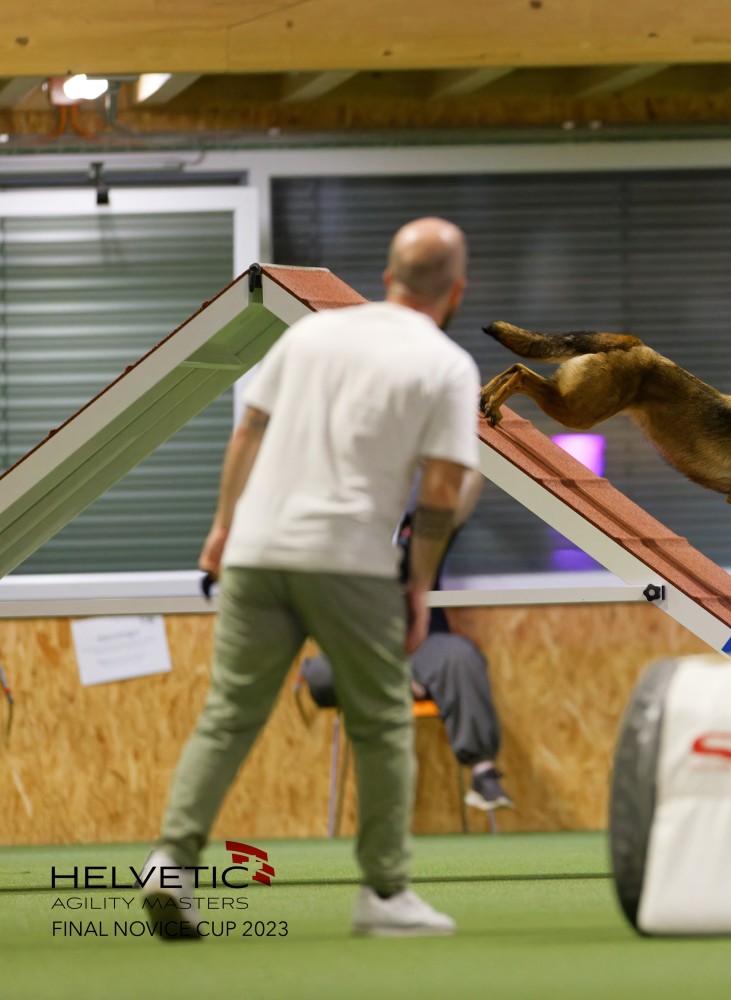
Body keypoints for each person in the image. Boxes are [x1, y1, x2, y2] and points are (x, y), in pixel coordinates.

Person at [139, 217, 481, 939]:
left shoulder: (309, 335)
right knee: (381, 721)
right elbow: (443, 490)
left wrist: (222, 528)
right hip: (347, 559)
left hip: (257, 550)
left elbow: (249, 431)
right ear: (456, 291)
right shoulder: (447, 365)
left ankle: (171, 862)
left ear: (387, 278)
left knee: (229, 714)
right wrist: (418, 584)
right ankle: (384, 894)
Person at [301, 466, 513, 812]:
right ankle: (396, 681)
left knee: (461, 657)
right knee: (320, 674)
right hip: (362, 653)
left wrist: (470, 440)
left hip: (424, 645)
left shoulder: (423, 528)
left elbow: (469, 480)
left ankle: (483, 775)